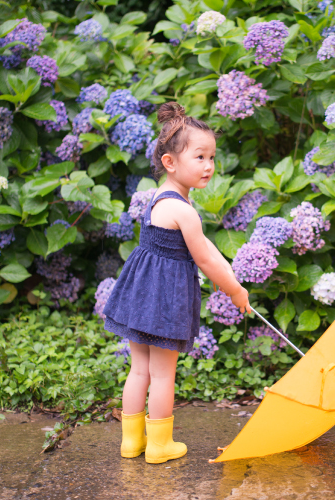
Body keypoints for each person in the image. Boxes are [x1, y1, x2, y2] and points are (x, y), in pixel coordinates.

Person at [102, 102, 251, 464]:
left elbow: (204, 247)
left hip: (140, 295)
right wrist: (233, 288)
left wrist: (225, 269)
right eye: (200, 157)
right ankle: (159, 445)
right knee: (163, 374)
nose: (209, 166)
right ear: (170, 162)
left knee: (139, 369)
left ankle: (131, 441)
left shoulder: (158, 197)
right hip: (165, 301)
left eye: (212, 157)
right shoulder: (184, 210)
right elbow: (206, 257)